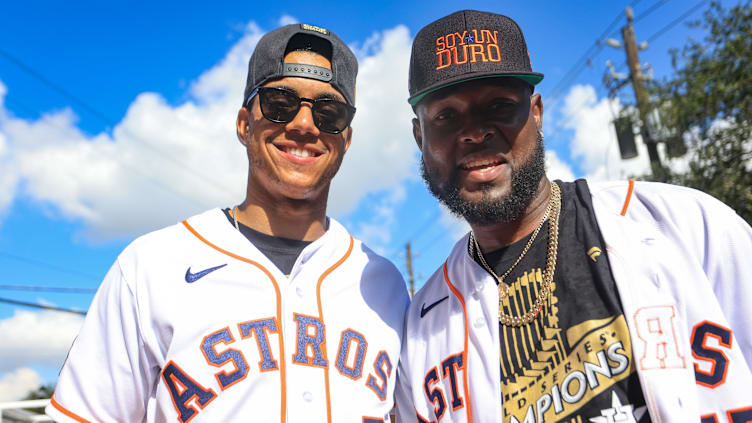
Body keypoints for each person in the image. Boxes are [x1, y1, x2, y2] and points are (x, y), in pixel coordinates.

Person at [395, 9, 752, 423]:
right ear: (420, 136)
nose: (474, 131)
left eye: (499, 105)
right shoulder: (422, 334)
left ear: (537, 112)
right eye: (446, 115)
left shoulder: (681, 224)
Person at [47, 23, 409, 423]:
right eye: (279, 102)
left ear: (346, 138)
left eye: (329, 112)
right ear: (244, 124)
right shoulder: (151, 265)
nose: (304, 125)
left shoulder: (383, 283)